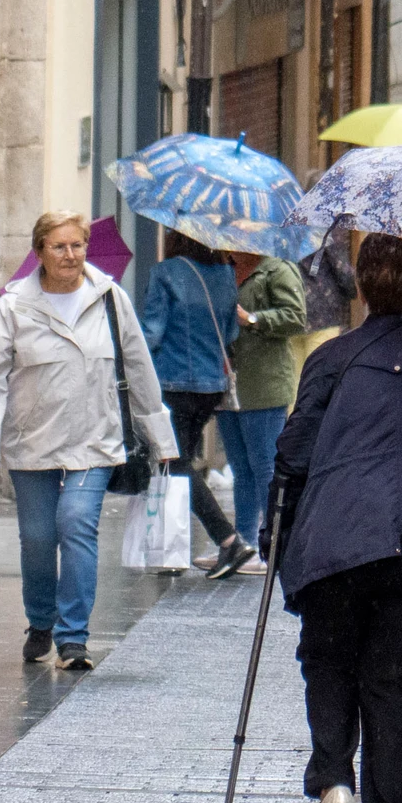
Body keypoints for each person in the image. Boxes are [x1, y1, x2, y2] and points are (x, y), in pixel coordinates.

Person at [267, 234, 402, 803]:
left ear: (360, 286)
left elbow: (293, 454)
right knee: (395, 678)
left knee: (328, 655)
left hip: (342, 534)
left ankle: (336, 783)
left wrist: (275, 536)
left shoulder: (332, 358)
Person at [0, 211, 179, 671]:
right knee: (38, 538)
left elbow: (139, 368)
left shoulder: (110, 300)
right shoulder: (13, 306)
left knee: (77, 523)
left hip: (95, 439)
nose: (70, 255)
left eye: (77, 245)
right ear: (39, 250)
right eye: (59, 246)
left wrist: (159, 436)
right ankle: (40, 620)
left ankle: (73, 637)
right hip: (32, 442)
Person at [138, 229, 257, 579]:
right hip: (210, 386)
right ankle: (174, 550)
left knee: (174, 463)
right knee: (179, 461)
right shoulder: (224, 274)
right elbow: (231, 333)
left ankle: (228, 539)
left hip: (172, 383)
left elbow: (153, 332)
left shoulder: (166, 273)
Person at [219, 249, 307, 576]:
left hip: (264, 384)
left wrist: (253, 319)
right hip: (227, 383)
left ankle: (272, 544)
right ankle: (243, 545)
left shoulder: (277, 269)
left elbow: (296, 316)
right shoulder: (222, 269)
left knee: (264, 468)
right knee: (240, 468)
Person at [295, 221, 357, 371]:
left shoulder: (286, 225)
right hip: (323, 314)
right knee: (319, 375)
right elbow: (341, 268)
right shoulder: (325, 227)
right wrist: (355, 288)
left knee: (295, 384)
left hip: (293, 311)